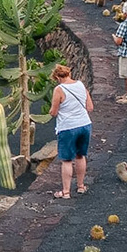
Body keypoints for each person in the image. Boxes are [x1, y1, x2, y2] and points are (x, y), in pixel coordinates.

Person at [49, 63, 94, 198]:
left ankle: (66, 192)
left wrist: (52, 110)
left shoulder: (59, 89)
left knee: (67, 160)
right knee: (81, 155)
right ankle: (81, 186)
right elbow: (90, 107)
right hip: (85, 124)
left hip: (68, 127)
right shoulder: (81, 85)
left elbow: (54, 112)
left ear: (57, 77)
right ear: (69, 73)